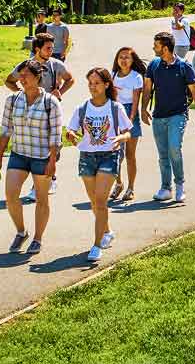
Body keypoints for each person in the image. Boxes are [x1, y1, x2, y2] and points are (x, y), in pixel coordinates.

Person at [0, 59, 63, 256]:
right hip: (19, 154)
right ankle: (21, 232)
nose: (21, 79)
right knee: (10, 195)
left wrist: (52, 162)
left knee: (41, 199)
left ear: (38, 77)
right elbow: (6, 130)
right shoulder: (12, 100)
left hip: (42, 157)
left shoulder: (51, 102)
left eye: (25, 76)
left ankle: (38, 239)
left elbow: (56, 136)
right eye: (19, 76)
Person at [65, 67, 132, 262]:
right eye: (90, 83)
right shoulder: (82, 108)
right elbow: (71, 130)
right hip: (87, 156)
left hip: (109, 156)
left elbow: (128, 132)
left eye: (96, 83)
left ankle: (96, 245)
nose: (92, 87)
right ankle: (107, 231)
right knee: (94, 202)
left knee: (101, 201)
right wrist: (71, 135)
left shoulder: (115, 108)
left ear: (106, 85)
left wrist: (121, 137)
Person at [6, 33, 76, 201]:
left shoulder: (56, 65)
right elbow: (9, 81)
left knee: (53, 146)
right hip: (31, 115)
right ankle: (39, 185)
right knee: (35, 148)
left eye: (52, 48)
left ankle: (49, 179)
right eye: (48, 48)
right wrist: (21, 94)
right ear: (37, 49)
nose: (52, 51)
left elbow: (70, 79)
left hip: (50, 111)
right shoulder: (26, 66)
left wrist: (60, 92)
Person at [142, 32, 195, 203]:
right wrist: (143, 108)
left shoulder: (184, 66)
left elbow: (194, 91)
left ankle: (179, 186)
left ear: (165, 48)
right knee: (163, 154)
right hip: (158, 116)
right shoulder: (154, 65)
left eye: (156, 45)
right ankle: (165, 189)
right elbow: (147, 88)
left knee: (174, 149)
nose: (153, 48)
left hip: (178, 114)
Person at [109, 47, 147, 202]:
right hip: (115, 113)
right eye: (121, 57)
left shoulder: (136, 77)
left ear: (132, 60)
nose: (123, 60)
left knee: (130, 155)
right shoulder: (112, 75)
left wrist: (130, 119)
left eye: (127, 57)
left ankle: (131, 188)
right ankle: (118, 183)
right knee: (115, 154)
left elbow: (136, 100)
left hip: (130, 113)